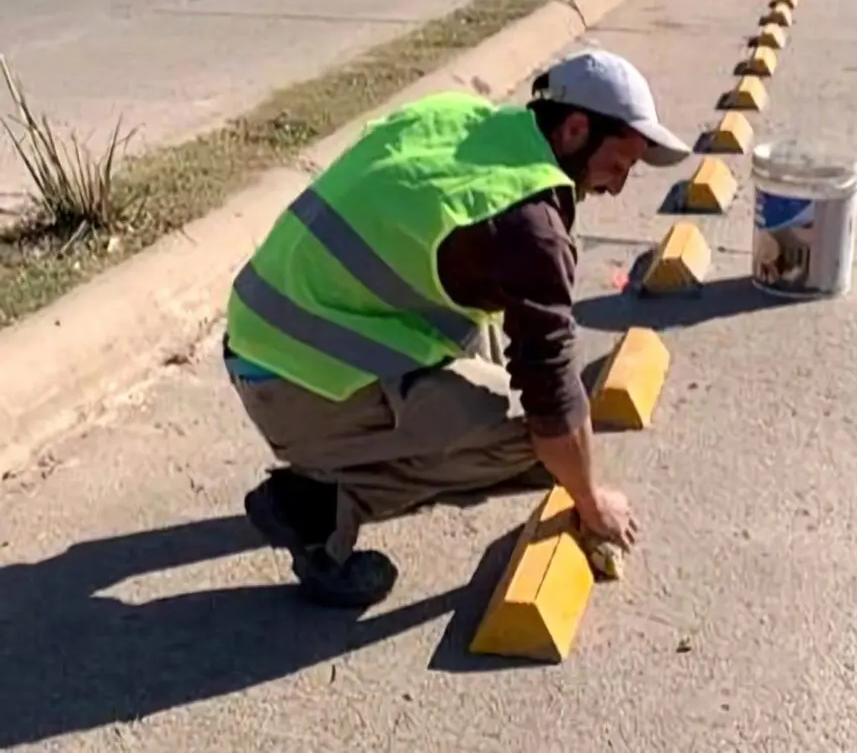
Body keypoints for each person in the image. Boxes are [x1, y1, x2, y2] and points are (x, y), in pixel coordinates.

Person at [223, 49, 693, 610]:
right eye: (617, 166)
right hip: (297, 381)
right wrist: (590, 500)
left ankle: (351, 452)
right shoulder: (530, 229)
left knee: (527, 403)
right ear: (574, 130)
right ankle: (317, 505)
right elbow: (553, 403)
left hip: (263, 332)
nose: (616, 187)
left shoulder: (461, 119)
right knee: (540, 448)